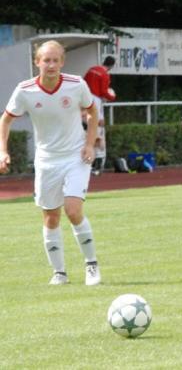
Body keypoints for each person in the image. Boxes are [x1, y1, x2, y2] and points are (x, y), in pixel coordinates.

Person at [0, 40, 102, 286]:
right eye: (46, 60)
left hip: (75, 157)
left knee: (73, 210)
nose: (51, 65)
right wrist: (2, 151)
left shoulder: (76, 84)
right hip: (46, 161)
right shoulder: (25, 90)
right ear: (37, 62)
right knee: (51, 217)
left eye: (56, 60)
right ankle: (59, 273)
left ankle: (91, 265)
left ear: (62, 62)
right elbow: (5, 120)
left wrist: (89, 144)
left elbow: (92, 112)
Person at [83, 56, 116, 175]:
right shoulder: (105, 74)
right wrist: (112, 97)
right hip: (95, 100)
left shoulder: (92, 69)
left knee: (86, 127)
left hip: (85, 99)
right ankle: (97, 163)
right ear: (111, 66)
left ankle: (87, 163)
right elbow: (103, 91)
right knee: (99, 128)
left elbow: (83, 83)